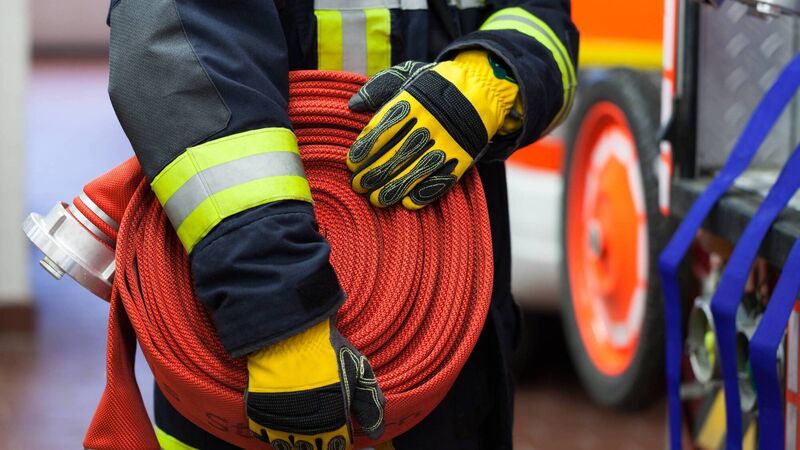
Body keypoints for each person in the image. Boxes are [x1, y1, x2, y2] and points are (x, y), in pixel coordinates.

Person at [106, 1, 578, 448]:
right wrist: (281, 318)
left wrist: (490, 74)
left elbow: (544, 21)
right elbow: (182, 69)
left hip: (454, 361)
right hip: (252, 352)